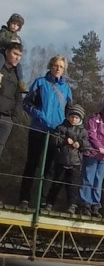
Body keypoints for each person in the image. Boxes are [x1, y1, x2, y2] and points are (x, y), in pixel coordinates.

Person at [19, 55, 74, 208]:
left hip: (56, 132)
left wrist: (65, 129)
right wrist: (40, 115)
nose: (58, 69)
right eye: (56, 65)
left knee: (49, 167)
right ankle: (25, 197)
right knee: (32, 163)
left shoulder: (66, 88)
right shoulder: (40, 82)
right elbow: (27, 103)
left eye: (61, 67)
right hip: (38, 128)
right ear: (50, 66)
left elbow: (70, 112)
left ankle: (42, 200)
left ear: (64, 70)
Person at [43, 103, 90, 214]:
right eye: (72, 116)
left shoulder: (83, 131)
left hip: (75, 163)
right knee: (56, 183)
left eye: (76, 117)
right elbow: (53, 140)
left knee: (72, 186)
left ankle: (72, 205)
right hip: (61, 160)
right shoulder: (61, 128)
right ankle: (49, 203)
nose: (74, 119)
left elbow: (88, 144)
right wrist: (65, 140)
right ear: (68, 116)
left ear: (80, 119)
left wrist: (80, 143)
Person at [79, 96, 104, 217]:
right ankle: (85, 203)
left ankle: (95, 205)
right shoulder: (94, 119)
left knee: (99, 180)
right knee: (88, 178)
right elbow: (91, 134)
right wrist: (98, 147)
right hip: (92, 153)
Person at [0, 43, 23, 165]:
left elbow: (19, 98)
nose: (17, 58)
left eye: (20, 55)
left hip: (7, 120)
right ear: (7, 52)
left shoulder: (18, 75)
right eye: (15, 54)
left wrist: (13, 118)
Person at [0, 13, 27, 94]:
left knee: (19, 66)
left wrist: (18, 43)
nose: (15, 26)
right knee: (0, 59)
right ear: (10, 23)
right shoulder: (3, 31)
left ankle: (21, 82)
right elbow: (1, 40)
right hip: (2, 51)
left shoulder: (17, 37)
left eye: (17, 25)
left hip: (11, 55)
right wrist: (10, 41)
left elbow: (20, 48)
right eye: (14, 23)